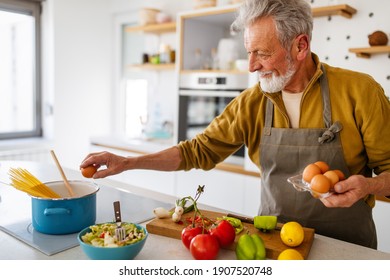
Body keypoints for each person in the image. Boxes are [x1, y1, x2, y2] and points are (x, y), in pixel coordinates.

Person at [81, 0, 390, 249]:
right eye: (249, 52)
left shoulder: (361, 92)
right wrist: (128, 162)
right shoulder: (252, 102)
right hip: (272, 244)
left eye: (262, 53)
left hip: (348, 249)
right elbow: (197, 151)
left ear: (301, 46)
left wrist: (370, 185)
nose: (252, 65)